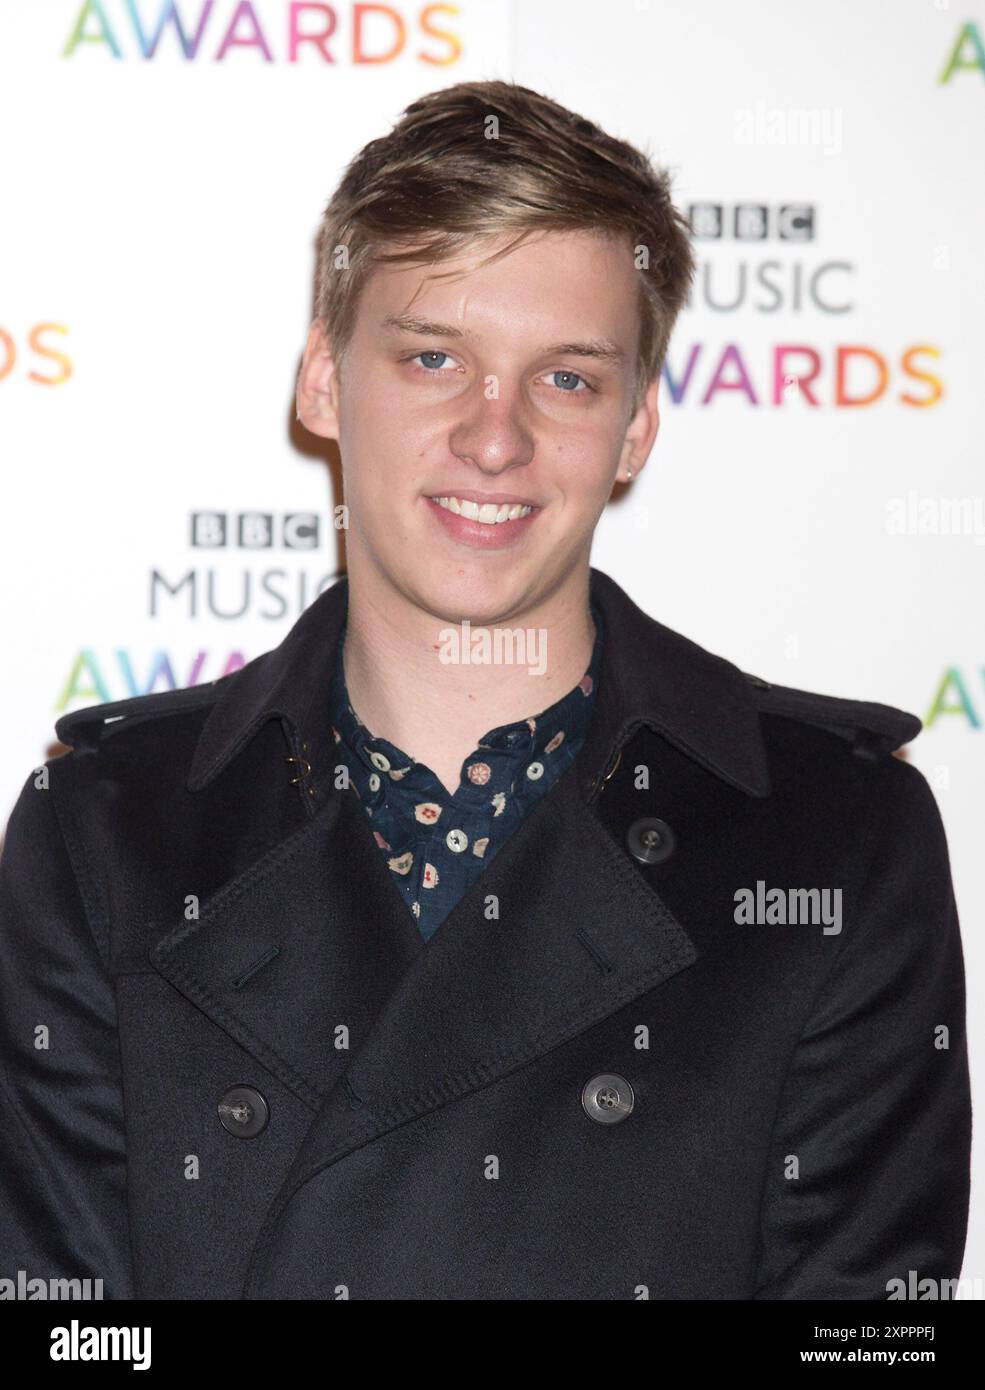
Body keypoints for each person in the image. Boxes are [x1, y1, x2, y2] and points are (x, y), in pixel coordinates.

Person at [0, 80, 970, 1301]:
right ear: (319, 381)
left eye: (565, 379)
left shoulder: (831, 838)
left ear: (633, 430)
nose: (494, 437)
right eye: (431, 357)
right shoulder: (110, 833)